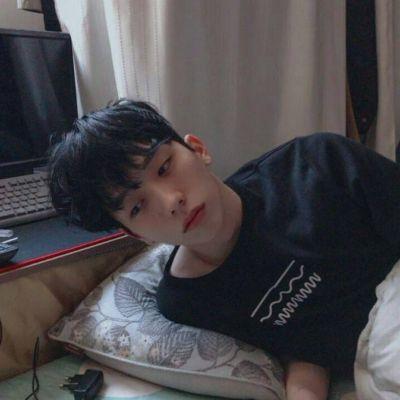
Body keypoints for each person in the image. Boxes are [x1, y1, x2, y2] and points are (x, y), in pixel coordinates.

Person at [48, 98, 400, 400]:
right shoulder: (186, 301)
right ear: (135, 233)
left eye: (165, 167)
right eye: (138, 207)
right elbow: (305, 346)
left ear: (197, 149)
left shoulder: (317, 164)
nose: (171, 201)